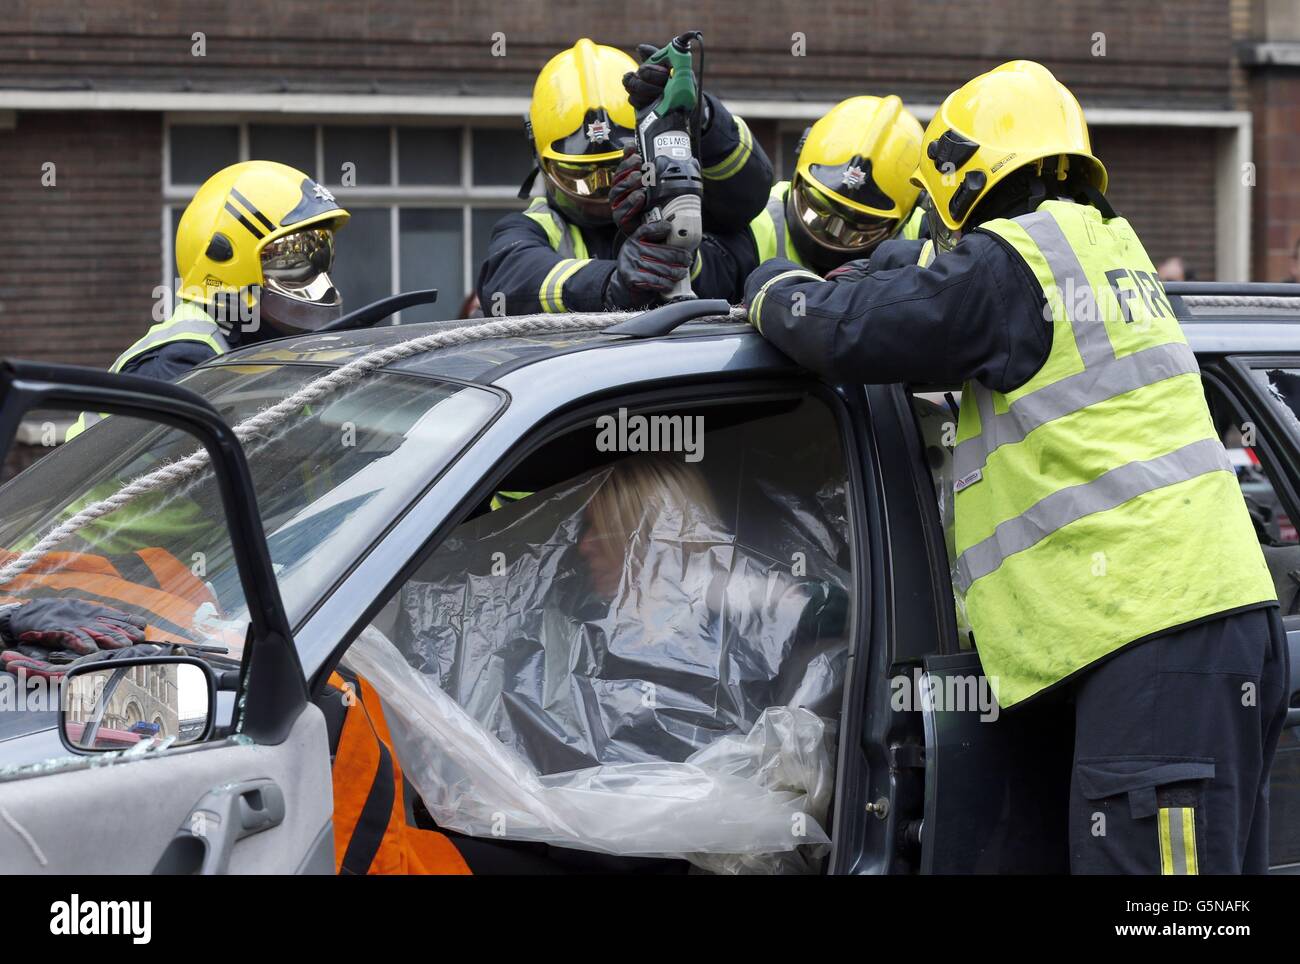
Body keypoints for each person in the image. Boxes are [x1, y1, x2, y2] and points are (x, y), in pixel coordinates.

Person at [743, 59, 1287, 874]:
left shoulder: (1010, 265)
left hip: (1152, 643)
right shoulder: (1101, 246)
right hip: (1194, 637)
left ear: (964, 171)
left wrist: (771, 286)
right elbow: (933, 291)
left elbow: (842, 332)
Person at [475, 38, 773, 315]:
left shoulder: (692, 204)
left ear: (646, 147)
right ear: (541, 161)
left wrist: (701, 119)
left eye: (617, 168)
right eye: (581, 176)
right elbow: (508, 281)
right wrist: (610, 285)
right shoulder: (531, 230)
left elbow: (747, 197)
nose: (603, 191)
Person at [67, 160, 349, 438]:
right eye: (290, 258)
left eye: (321, 256)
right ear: (225, 257)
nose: (316, 278)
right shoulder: (183, 362)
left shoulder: (268, 347)